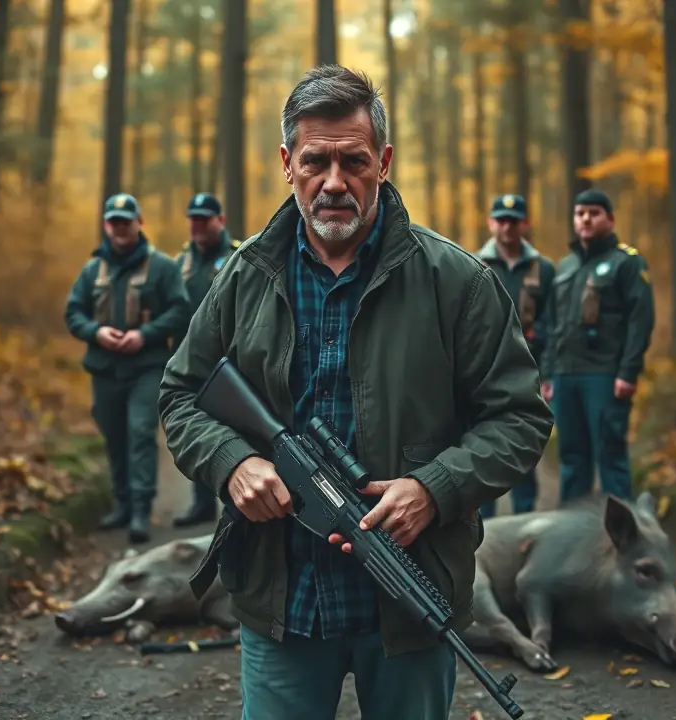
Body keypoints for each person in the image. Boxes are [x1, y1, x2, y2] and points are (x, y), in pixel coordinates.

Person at [157, 65, 552, 720]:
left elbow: (519, 418)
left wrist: (434, 488)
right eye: (316, 161)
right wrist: (234, 464)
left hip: (410, 601)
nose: (334, 182)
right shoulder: (245, 275)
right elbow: (180, 394)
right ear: (288, 163)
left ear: (384, 163)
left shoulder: (457, 282)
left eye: (355, 161)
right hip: (282, 599)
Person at [64, 193, 191, 544]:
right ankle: (121, 504)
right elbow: (73, 313)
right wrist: (96, 332)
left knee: (140, 432)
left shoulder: (162, 267)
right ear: (107, 226)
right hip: (105, 370)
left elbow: (180, 309)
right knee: (114, 435)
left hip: (146, 368)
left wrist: (144, 335)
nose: (120, 228)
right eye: (114, 222)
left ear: (139, 223)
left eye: (126, 221)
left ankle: (140, 510)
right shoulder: (93, 270)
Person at [544, 188, 655, 505]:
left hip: (605, 375)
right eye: (580, 213)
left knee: (610, 455)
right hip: (566, 376)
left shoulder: (626, 262)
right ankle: (572, 529)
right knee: (571, 458)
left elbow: (640, 319)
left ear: (611, 219)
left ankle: (622, 530)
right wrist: (548, 373)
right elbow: (552, 325)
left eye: (594, 213)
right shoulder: (565, 266)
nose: (586, 219)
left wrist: (628, 371)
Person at [473, 193, 555, 518]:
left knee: (522, 443)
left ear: (525, 224)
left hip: (528, 372)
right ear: (491, 223)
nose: (507, 227)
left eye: (514, 221)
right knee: (482, 445)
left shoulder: (543, 269)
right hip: (483, 372)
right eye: (501, 220)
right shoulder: (472, 265)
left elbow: (554, 324)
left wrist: (548, 374)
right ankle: (486, 529)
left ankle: (524, 524)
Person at [172, 192, 241, 528]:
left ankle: (238, 504)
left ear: (221, 220)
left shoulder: (239, 256)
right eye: (194, 219)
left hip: (233, 363)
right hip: (195, 361)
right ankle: (201, 504)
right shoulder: (180, 264)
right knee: (198, 428)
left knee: (238, 430)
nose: (198, 225)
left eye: (205, 219)